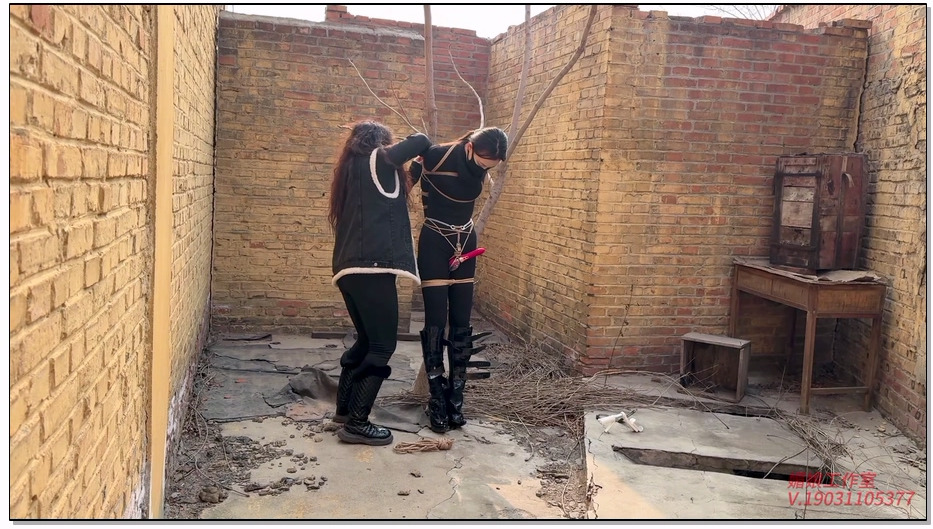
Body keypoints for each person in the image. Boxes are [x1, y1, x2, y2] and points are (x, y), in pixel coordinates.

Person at [329, 120, 431, 446]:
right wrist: (415, 147)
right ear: (381, 143)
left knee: (366, 341)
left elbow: (393, 194)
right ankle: (357, 423)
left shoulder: (353, 171)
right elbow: (421, 140)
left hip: (350, 271)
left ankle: (345, 411)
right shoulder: (377, 158)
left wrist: (417, 168)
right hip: (371, 270)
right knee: (383, 346)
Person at [410, 127, 508, 433]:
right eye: (482, 163)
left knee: (462, 320)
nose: (483, 170)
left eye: (490, 167)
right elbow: (402, 183)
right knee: (436, 319)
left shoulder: (481, 162)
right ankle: (437, 399)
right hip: (435, 239)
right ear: (469, 148)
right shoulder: (435, 156)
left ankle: (456, 399)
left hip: (465, 239)